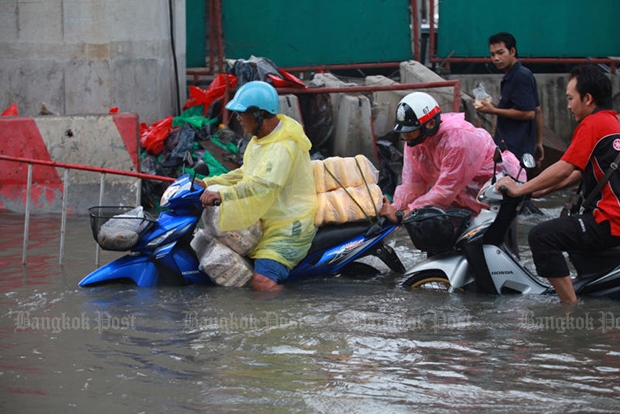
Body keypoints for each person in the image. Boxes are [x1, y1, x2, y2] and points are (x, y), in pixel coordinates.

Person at [496, 65, 620, 304]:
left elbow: (565, 166)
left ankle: (569, 307)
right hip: (613, 219)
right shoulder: (613, 123)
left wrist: (521, 188)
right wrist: (542, 189)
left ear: (588, 98)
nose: (568, 106)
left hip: (610, 222)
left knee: (541, 236)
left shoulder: (592, 125)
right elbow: (581, 172)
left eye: (570, 99)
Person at [198, 81, 318, 292]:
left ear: (259, 114)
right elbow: (245, 173)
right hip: (265, 219)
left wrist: (222, 194)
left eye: (242, 113)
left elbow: (261, 186)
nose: (238, 119)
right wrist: (209, 182)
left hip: (288, 226)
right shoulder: (260, 139)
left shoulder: (283, 146)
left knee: (262, 282)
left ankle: (287, 314)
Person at [380, 91, 524, 224]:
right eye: (405, 132)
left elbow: (445, 191)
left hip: (493, 195)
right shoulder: (415, 142)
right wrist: (394, 208)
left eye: (410, 131)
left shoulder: (457, 140)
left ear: (430, 124)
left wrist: (404, 214)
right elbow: (412, 186)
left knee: (490, 241)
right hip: (458, 199)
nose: (406, 136)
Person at [475, 32, 544, 167]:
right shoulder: (514, 76)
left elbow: (529, 113)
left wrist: (494, 110)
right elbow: (537, 110)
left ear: (512, 51)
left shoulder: (520, 76)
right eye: (492, 54)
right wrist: (538, 142)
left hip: (515, 151)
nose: (496, 58)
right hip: (514, 148)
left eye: (500, 53)